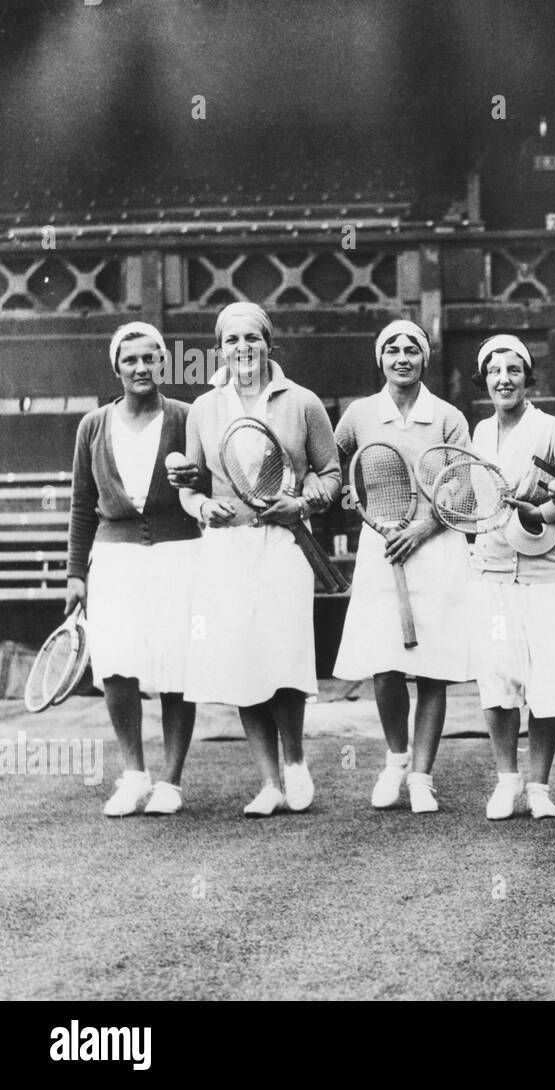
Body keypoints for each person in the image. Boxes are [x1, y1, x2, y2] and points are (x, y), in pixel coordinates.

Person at [177, 302, 340, 817]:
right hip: (227, 549)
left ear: (269, 343)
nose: (243, 348)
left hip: (286, 545)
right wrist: (203, 505)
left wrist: (304, 502)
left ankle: (295, 764)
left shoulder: (304, 402)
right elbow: (191, 485)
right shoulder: (204, 409)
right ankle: (268, 782)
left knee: (284, 655)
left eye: (252, 338)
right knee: (241, 659)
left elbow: (330, 473)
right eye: (232, 340)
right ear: (220, 347)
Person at [334, 319, 474, 814]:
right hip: (382, 544)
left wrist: (425, 527)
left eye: (411, 349)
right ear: (381, 359)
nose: (401, 357)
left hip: (435, 547)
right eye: (392, 349)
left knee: (432, 670)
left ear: (424, 358)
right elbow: (335, 469)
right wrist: (352, 495)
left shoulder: (449, 417)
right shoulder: (359, 416)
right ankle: (395, 761)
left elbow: (466, 487)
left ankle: (422, 776)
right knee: (386, 667)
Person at [66, 322, 202, 816]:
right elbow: (83, 504)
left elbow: (206, 484)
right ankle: (134, 775)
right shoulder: (94, 426)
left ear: (163, 363)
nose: (141, 368)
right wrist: (75, 573)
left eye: (150, 358)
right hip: (116, 558)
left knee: (176, 663)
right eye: (131, 360)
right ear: (116, 367)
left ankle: (171, 781)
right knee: (117, 663)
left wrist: (196, 479)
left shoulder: (189, 418)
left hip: (179, 552)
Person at [467, 333, 555, 821]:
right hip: (493, 575)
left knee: (549, 683)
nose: (505, 379)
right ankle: (507, 781)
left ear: (528, 378)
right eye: (495, 371)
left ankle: (539, 785)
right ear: (485, 380)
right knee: (498, 681)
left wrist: (547, 510)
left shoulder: (551, 429)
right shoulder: (478, 435)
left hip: (547, 578)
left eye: (514, 370)